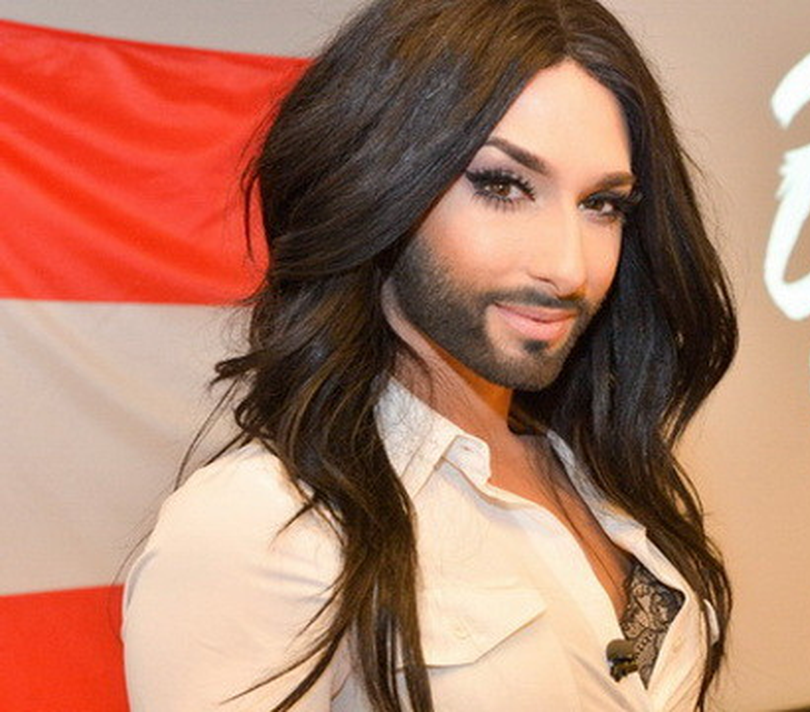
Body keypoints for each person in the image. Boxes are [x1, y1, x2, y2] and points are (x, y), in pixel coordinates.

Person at [121, 0, 737, 710]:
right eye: (503, 187)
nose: (569, 268)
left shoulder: (598, 472)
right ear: (378, 186)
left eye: (602, 205)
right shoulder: (260, 527)